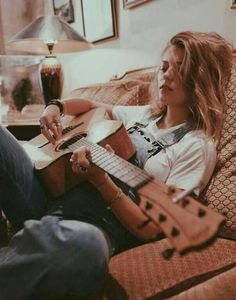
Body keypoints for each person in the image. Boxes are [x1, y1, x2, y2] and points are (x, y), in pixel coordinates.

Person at [0, 31, 233, 300]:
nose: (166, 75)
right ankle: (39, 240)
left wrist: (102, 181)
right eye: (164, 66)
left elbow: (154, 229)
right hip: (49, 193)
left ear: (200, 79)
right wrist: (54, 107)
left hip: (94, 224)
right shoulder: (142, 114)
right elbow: (88, 105)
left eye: (179, 69)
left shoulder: (196, 145)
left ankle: (38, 244)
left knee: (86, 246)